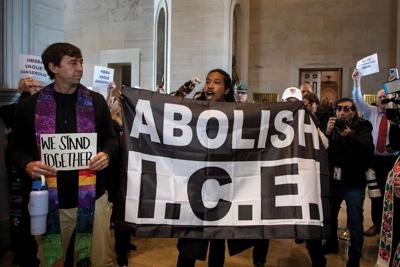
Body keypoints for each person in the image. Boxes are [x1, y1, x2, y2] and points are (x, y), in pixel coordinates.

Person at [11, 42, 118, 266]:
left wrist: (107, 154)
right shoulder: (31, 106)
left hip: (93, 199)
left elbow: (111, 139)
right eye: (72, 63)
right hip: (50, 204)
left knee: (98, 261)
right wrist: (27, 165)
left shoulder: (96, 102)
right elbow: (16, 148)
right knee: (52, 262)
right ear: (53, 67)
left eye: (81, 62)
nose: (80, 68)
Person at [176, 68, 245, 267]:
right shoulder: (193, 109)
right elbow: (166, 106)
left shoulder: (238, 114)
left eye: (216, 82)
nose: (210, 86)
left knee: (217, 243)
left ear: (226, 89)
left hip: (222, 186)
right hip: (196, 187)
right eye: (208, 81)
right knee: (190, 241)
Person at [323, 98, 374, 267]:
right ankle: (331, 244)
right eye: (338, 109)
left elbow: (367, 151)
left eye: (346, 109)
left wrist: (350, 135)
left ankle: (354, 256)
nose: (342, 112)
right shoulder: (333, 126)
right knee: (330, 217)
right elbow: (323, 150)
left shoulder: (363, 126)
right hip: (335, 181)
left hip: (354, 182)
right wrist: (328, 133)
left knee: (355, 221)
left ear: (353, 111)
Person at [352, 69, 399, 237]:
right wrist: (357, 83)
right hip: (374, 161)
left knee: (393, 194)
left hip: (392, 161)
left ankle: (392, 226)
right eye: (380, 97)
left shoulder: (397, 115)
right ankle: (377, 224)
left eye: (385, 97)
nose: (383, 99)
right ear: (376, 100)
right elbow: (357, 101)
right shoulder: (371, 112)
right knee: (375, 194)